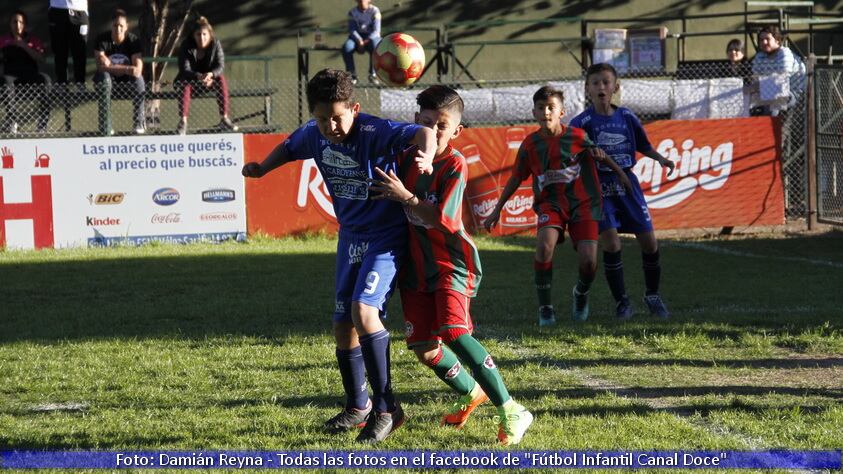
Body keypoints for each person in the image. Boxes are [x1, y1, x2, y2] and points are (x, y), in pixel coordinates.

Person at [242, 69, 436, 444]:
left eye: (337, 116)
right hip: (350, 239)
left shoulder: (373, 130)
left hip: (386, 237)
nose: (330, 125)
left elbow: (423, 133)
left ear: (355, 108)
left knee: (363, 312)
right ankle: (358, 405)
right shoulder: (314, 134)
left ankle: (386, 409)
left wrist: (426, 156)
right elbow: (289, 146)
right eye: (321, 118)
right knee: (342, 324)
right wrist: (262, 169)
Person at [368, 85, 533, 445]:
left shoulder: (454, 164)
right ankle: (471, 391)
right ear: (416, 123)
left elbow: (442, 218)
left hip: (450, 264)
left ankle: (510, 408)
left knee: (455, 332)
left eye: (443, 125)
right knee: (424, 347)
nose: (435, 131)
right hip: (414, 268)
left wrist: (408, 197)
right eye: (428, 123)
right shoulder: (404, 158)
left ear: (457, 131)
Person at [484, 85, 631, 324]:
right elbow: (515, 178)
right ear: (534, 112)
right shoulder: (530, 145)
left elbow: (599, 153)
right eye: (541, 108)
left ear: (561, 112)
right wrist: (497, 210)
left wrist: (621, 175)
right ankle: (545, 308)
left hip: (583, 204)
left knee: (589, 261)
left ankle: (581, 294)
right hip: (551, 205)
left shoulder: (577, 137)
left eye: (551, 107)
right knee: (544, 247)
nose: (546, 112)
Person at [569, 63, 676, 321]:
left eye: (606, 82)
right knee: (612, 243)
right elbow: (569, 153)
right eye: (595, 83)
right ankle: (622, 303)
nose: (601, 87)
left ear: (615, 87)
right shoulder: (581, 122)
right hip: (599, 187)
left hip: (628, 184)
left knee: (650, 243)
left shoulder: (627, 117)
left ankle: (653, 296)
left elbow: (643, 145)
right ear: (587, 89)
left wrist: (661, 159)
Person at [175, 16, 237, 135]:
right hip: (191, 82)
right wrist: (198, 76)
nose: (202, 38)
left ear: (210, 35)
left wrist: (211, 75)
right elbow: (184, 69)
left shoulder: (216, 44)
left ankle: (224, 118)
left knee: (221, 78)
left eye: (204, 34)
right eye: (198, 34)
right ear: (194, 35)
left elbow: (220, 66)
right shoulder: (186, 45)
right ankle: (183, 122)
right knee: (184, 81)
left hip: (209, 81)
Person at [93, 9, 145, 134]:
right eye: (115, 25)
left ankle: (139, 124)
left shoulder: (133, 41)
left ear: (126, 27)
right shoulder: (101, 40)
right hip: (107, 82)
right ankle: (106, 125)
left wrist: (111, 66)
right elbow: (101, 67)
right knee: (104, 76)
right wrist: (127, 68)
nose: (118, 28)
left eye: (121, 26)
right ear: (111, 26)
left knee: (140, 79)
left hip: (127, 83)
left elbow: (137, 70)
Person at [1, 10, 51, 134]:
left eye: (21, 22)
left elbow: (41, 58)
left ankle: (43, 121)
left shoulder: (33, 40)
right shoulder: (3, 40)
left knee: (45, 79)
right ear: (10, 24)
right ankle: (12, 120)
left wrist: (24, 46)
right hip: (11, 76)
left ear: (25, 25)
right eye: (15, 22)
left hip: (30, 75)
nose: (17, 25)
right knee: (6, 81)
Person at [751, 26, 805, 116]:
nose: (764, 42)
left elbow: (780, 82)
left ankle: (771, 127)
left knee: (775, 100)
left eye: (767, 39)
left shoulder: (785, 53)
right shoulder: (759, 56)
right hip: (768, 90)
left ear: (777, 40)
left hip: (794, 93)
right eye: (761, 40)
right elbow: (755, 81)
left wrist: (761, 84)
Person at [48, 0, 88, 84]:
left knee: (80, 51)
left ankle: (80, 84)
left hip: (80, 11)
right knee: (60, 52)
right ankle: (62, 84)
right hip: (57, 10)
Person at [342, 0, 381, 84]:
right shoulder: (352, 12)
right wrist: (359, 40)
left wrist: (366, 41)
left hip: (371, 38)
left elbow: (376, 31)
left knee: (376, 46)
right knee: (347, 47)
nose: (362, 1)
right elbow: (352, 30)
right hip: (357, 38)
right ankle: (352, 76)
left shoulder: (375, 11)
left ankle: (373, 75)